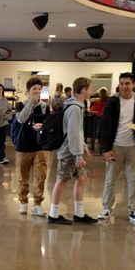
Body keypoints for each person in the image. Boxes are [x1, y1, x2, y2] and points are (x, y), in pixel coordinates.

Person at [97, 72, 135, 224]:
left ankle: (134, 211)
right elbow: (105, 126)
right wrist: (106, 149)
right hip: (115, 146)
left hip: (133, 147)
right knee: (110, 179)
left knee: (134, 181)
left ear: (134, 85)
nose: (124, 86)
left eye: (127, 83)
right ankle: (106, 208)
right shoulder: (112, 102)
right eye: (122, 83)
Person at [47, 77, 97, 225]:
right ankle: (53, 214)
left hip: (74, 152)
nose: (91, 91)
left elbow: (78, 132)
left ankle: (79, 213)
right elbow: (73, 133)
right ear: (83, 90)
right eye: (90, 89)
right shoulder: (75, 108)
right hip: (69, 153)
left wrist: (84, 147)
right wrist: (78, 156)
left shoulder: (77, 106)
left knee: (81, 179)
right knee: (62, 180)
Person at [15, 77, 51, 216]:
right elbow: (21, 119)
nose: (37, 91)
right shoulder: (21, 104)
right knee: (23, 176)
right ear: (28, 91)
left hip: (40, 146)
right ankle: (23, 202)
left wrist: (43, 127)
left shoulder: (45, 106)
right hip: (23, 145)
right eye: (34, 89)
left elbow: (48, 124)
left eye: (39, 89)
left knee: (40, 176)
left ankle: (37, 203)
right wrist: (31, 102)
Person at [89, 87, 108, 151]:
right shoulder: (108, 101)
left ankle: (97, 140)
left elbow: (92, 109)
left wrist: (94, 112)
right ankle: (101, 142)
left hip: (98, 118)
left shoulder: (98, 101)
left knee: (97, 129)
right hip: (105, 119)